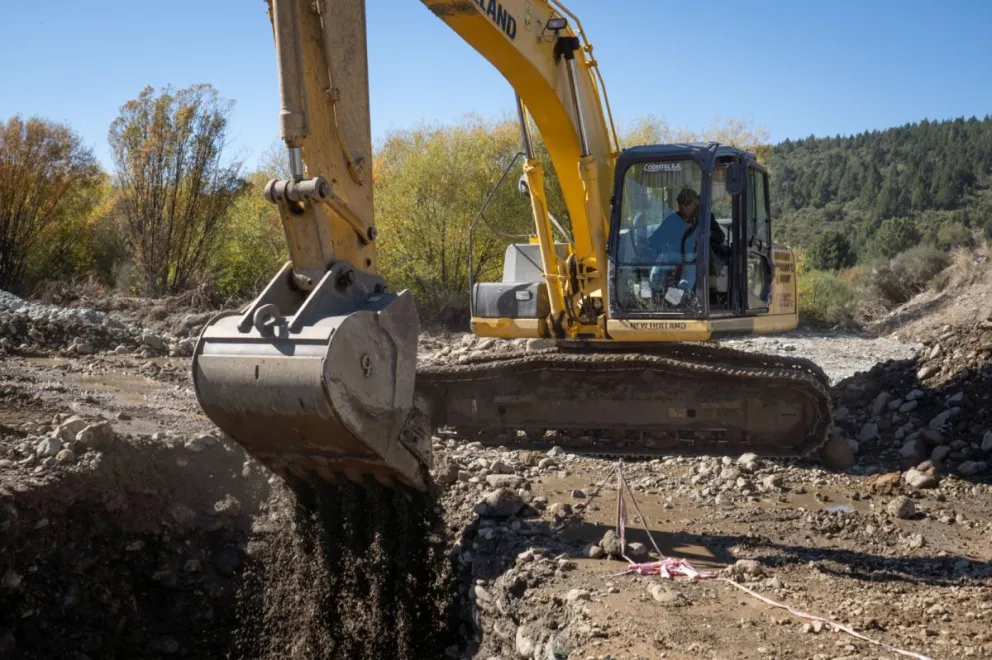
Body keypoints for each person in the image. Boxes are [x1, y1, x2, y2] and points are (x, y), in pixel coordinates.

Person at [646, 187, 701, 302]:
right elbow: (655, 239)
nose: (682, 206)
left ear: (696, 203)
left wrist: (708, 233)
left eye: (686, 203)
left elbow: (719, 237)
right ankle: (652, 296)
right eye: (680, 203)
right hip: (674, 255)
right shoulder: (671, 220)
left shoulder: (705, 219)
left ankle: (674, 301)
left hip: (696, 257)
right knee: (659, 262)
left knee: (689, 270)